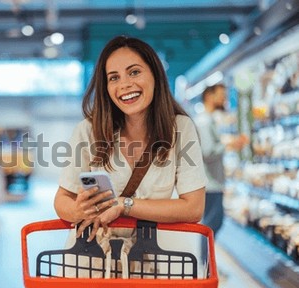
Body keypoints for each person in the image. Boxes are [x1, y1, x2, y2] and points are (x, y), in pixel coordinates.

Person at [53, 36, 207, 244]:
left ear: (155, 75)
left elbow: (193, 208)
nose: (124, 84)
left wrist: (124, 205)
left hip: (155, 262)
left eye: (134, 72)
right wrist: (78, 210)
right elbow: (62, 200)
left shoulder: (180, 129)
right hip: (93, 261)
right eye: (114, 78)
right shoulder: (88, 131)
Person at [195, 84, 247, 260]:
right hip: (210, 183)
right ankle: (205, 267)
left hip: (212, 182)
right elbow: (208, 151)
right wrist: (229, 144)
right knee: (211, 225)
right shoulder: (205, 121)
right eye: (221, 95)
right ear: (209, 96)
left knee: (212, 224)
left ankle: (206, 264)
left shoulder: (207, 120)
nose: (224, 99)